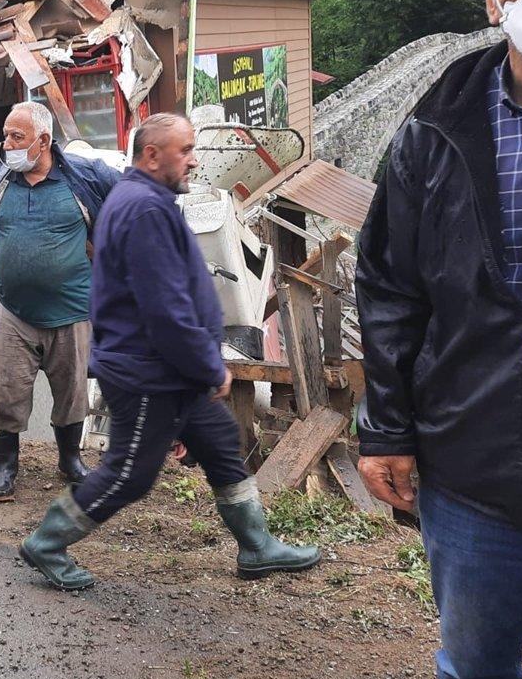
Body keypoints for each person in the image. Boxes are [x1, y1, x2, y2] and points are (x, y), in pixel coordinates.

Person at [355, 0, 522, 679]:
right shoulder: (437, 126)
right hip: (472, 465)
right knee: (473, 666)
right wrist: (386, 428)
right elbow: (392, 286)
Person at [19, 113, 320, 589]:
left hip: (170, 370)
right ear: (152, 155)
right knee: (130, 474)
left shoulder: (146, 200)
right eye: (185, 151)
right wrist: (209, 366)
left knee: (220, 445)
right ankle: (47, 543)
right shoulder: (143, 210)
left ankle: (257, 547)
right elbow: (165, 310)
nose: (194, 161)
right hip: (147, 374)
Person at [0, 101, 121, 500]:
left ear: (44, 141)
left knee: (71, 395)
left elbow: (130, 201)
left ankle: (70, 461)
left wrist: (107, 247)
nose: (6, 144)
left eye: (17, 137)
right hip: (13, 312)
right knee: (8, 393)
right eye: (6, 134)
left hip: (72, 314)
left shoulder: (84, 178)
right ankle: (5, 469)